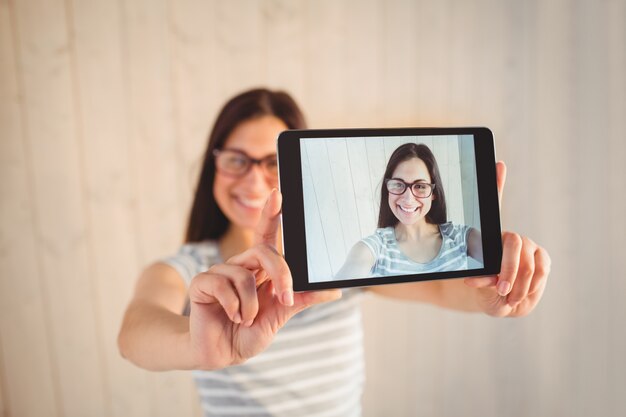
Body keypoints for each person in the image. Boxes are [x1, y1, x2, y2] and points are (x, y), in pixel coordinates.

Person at [118, 88, 551, 416]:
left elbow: (443, 292)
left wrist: (494, 291)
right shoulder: (192, 270)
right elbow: (135, 332)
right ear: (214, 165)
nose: (252, 181)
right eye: (236, 160)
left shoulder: (334, 270)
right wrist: (197, 346)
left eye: (272, 163)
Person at [336, 142, 482, 279]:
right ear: (388, 190)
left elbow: (497, 257)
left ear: (434, 193)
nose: (408, 199)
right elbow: (341, 287)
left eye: (420, 186)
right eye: (398, 184)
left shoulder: (460, 237)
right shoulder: (376, 248)